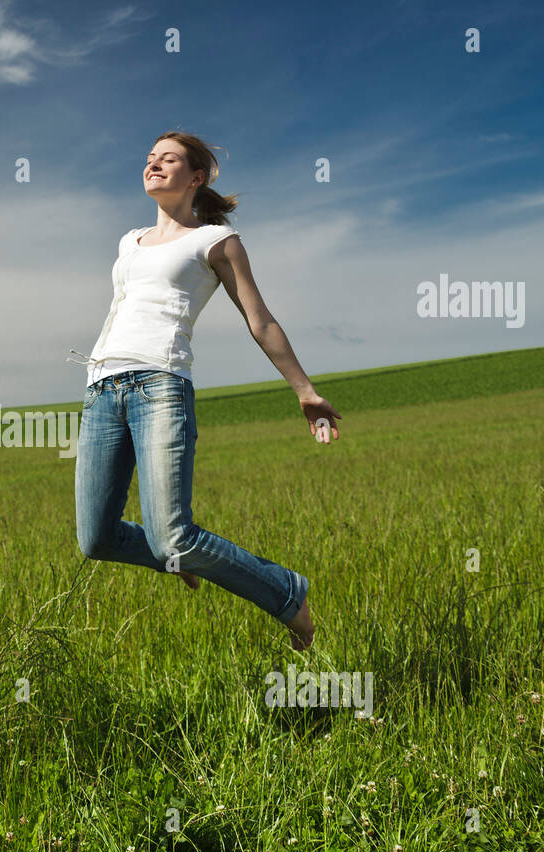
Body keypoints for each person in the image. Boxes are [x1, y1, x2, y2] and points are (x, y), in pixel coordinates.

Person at [68, 130, 341, 651]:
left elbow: (259, 320)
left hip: (160, 386)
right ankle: (175, 560)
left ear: (196, 177)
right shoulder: (130, 241)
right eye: (149, 158)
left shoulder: (215, 241)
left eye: (167, 159)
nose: (153, 165)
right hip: (102, 387)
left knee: (174, 534)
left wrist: (304, 390)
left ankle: (288, 595)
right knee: (94, 539)